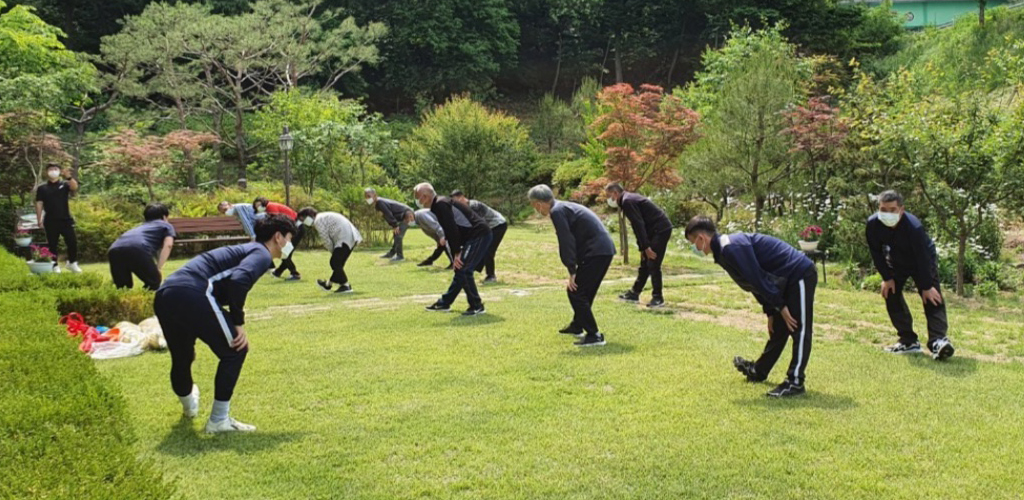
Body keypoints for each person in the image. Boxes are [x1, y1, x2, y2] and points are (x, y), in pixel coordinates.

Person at [154, 215, 296, 433]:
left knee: (182, 357)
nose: (290, 244)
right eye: (289, 238)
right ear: (278, 237)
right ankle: (219, 420)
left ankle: (189, 407)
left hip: (166, 294)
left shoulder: (247, 249)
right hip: (195, 292)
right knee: (236, 349)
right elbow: (239, 280)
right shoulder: (260, 253)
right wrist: (238, 322)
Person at [685, 216, 817, 398]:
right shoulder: (723, 251)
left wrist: (781, 307)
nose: (695, 248)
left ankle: (795, 382)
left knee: (798, 328)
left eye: (693, 243)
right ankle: (759, 370)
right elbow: (752, 284)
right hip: (781, 280)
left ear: (701, 238)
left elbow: (758, 278)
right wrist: (771, 311)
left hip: (798, 273)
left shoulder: (731, 247)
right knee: (778, 329)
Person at [866, 190, 955, 360]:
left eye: (892, 210)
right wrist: (887, 278)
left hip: (921, 260)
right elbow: (875, 252)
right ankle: (908, 341)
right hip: (896, 261)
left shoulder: (914, 227)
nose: (887, 213)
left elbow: (922, 258)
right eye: (883, 209)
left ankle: (938, 340)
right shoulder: (873, 224)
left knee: (932, 297)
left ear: (901, 209)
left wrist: (927, 286)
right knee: (890, 293)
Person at [528, 184, 616, 347]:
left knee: (576, 292)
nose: (536, 210)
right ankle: (577, 325)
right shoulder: (562, 207)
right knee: (584, 291)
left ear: (539, 203)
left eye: (534, 206)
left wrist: (572, 270)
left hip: (596, 251)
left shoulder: (557, 211)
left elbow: (566, 241)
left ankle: (594, 335)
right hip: (602, 250)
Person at [414, 183, 492, 316]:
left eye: (417, 197)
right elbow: (452, 229)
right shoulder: (439, 204)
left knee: (464, 270)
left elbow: (452, 229)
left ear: (425, 197)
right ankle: (444, 303)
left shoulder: (440, 204)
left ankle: (477, 306)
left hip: (479, 235)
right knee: (460, 270)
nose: (416, 201)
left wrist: (457, 252)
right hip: (472, 237)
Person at [605, 183, 674, 308]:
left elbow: (638, 225)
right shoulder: (627, 199)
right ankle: (634, 293)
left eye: (609, 195)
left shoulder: (627, 201)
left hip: (660, 229)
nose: (609, 199)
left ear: (615, 193)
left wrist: (646, 247)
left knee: (653, 262)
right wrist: (642, 247)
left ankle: (658, 298)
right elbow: (638, 227)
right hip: (652, 230)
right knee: (645, 262)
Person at [107, 203, 176, 291]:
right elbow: (168, 245)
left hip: (114, 249)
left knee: (123, 287)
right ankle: (146, 301)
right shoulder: (166, 225)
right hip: (137, 248)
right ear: (164, 217)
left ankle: (127, 303)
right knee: (154, 281)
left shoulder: (140, 226)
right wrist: (158, 267)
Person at [297, 207, 362, 294]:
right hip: (349, 235)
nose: (304, 222)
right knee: (338, 264)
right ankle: (328, 284)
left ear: (308, 216)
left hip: (343, 237)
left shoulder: (318, 221)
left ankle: (345, 286)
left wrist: (333, 252)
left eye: (303, 219)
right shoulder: (322, 217)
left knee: (335, 262)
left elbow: (326, 240)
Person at [450, 190, 507, 283]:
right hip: (489, 227)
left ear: (462, 198)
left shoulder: (474, 206)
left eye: (456, 201)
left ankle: (491, 276)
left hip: (498, 225)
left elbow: (479, 225)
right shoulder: (465, 208)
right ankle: (474, 270)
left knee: (489, 250)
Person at [34, 163, 80, 273]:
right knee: (52, 244)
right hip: (50, 220)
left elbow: (74, 187)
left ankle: (72, 263)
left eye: (55, 169)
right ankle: (54, 265)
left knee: (72, 242)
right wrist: (39, 219)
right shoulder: (42, 188)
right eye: (50, 169)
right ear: (47, 172)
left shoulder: (64, 185)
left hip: (66, 219)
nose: (53, 171)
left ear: (59, 171)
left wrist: (68, 177)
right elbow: (39, 203)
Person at [253, 197, 302, 280]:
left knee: (285, 252)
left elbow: (277, 222)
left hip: (295, 228)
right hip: (294, 228)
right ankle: (278, 272)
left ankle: (295, 274)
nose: (258, 207)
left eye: (259, 205)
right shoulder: (270, 207)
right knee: (286, 252)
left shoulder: (270, 206)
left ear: (264, 203)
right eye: (256, 206)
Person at [365, 188, 413, 262]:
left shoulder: (380, 202)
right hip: (404, 216)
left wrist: (395, 225)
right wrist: (394, 225)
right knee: (396, 234)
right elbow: (387, 215)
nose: (367, 198)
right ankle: (391, 253)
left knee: (398, 235)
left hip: (408, 215)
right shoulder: (378, 204)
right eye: (366, 197)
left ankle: (400, 257)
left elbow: (388, 214)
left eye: (369, 196)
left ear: (375, 195)